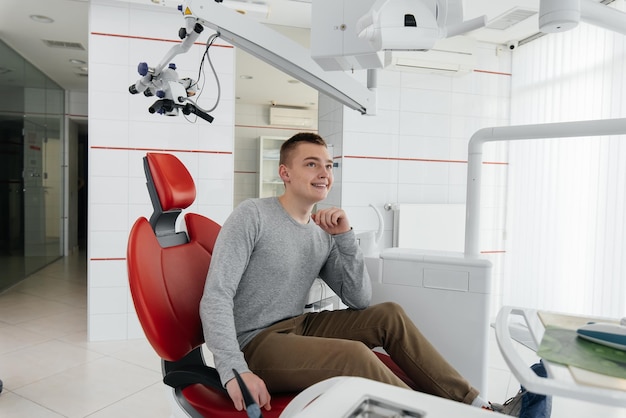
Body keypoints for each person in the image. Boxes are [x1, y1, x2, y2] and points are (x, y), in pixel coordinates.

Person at [199, 132, 491, 413]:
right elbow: (216, 296)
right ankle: (434, 414)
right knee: (354, 355)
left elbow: (359, 299)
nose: (324, 173)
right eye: (311, 164)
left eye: (328, 165)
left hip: (298, 326)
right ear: (285, 173)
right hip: (255, 342)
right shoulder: (253, 215)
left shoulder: (320, 233)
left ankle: (476, 405)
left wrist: (345, 237)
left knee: (389, 315)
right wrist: (234, 369)